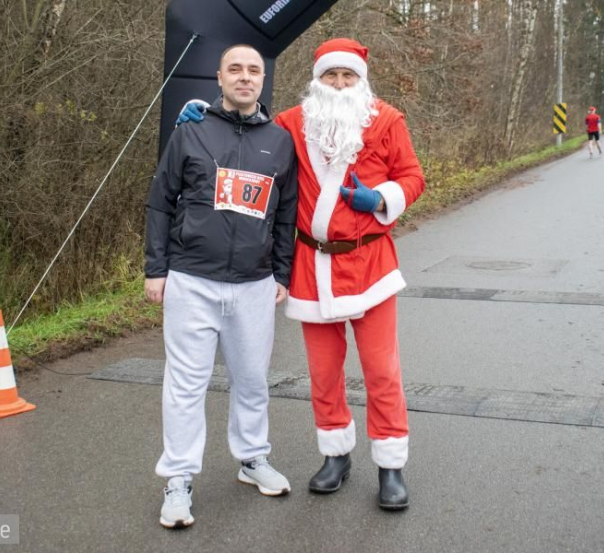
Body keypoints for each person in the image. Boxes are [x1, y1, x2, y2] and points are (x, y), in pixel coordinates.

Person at [178, 38, 425, 510]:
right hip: (313, 266)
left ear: (360, 80)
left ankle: (391, 465)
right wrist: (200, 112)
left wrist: (380, 198)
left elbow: (413, 177)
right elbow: (243, 133)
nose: (339, 84)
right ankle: (336, 455)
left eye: (348, 76)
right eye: (331, 75)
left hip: (370, 263)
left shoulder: (387, 120)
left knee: (381, 371)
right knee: (324, 374)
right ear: (318, 79)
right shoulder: (292, 122)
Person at [144, 44, 298, 529]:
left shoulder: (281, 141)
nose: (245, 77)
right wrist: (156, 268)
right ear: (219, 77)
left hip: (254, 284)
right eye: (235, 69)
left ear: (263, 80)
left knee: (252, 380)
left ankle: (252, 459)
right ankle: (178, 479)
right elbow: (160, 202)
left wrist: (282, 273)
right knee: (185, 385)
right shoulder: (190, 130)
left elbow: (286, 213)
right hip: (192, 280)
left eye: (253, 70)